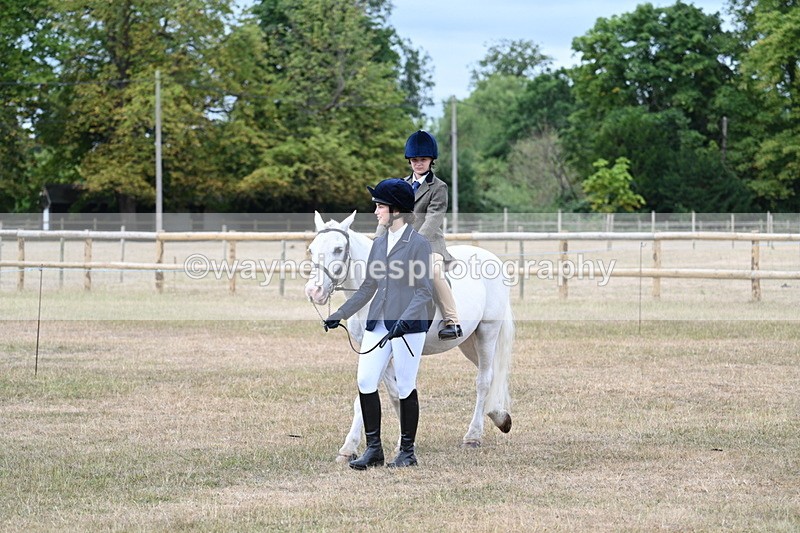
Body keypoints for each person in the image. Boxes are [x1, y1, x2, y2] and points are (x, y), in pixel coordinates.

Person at [324, 178, 434, 470]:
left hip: (409, 326)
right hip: (379, 323)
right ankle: (374, 449)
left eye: (380, 206)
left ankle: (407, 452)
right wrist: (340, 313)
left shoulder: (418, 244)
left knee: (405, 386)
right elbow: (368, 287)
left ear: (396, 210)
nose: (376, 212)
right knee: (365, 380)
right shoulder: (380, 243)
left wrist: (404, 322)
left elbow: (424, 291)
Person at [397, 130, 462, 340]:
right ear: (409, 160)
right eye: (415, 160)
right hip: (401, 241)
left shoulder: (439, 187)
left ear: (431, 160)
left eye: (423, 160)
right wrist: (378, 241)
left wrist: (413, 242)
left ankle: (452, 321)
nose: (418, 163)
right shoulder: (401, 185)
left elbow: (433, 218)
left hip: (430, 243)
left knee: (433, 271)